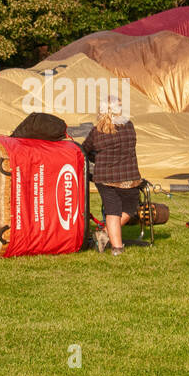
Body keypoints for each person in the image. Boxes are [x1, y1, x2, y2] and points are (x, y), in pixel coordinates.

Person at [81, 96, 141, 257]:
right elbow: (129, 147)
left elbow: (84, 151)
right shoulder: (128, 126)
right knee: (130, 208)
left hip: (104, 177)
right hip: (128, 177)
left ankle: (114, 246)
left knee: (112, 210)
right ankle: (112, 240)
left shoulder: (97, 131)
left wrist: (97, 157)